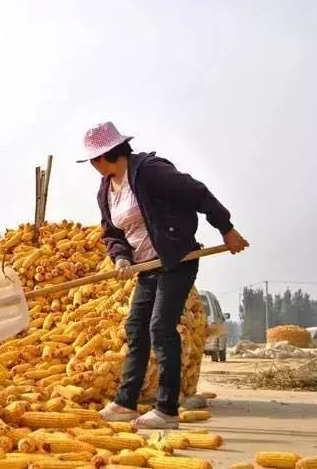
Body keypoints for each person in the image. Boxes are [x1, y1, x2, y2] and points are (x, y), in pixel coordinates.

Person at [78, 122, 248, 429]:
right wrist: (120, 258)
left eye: (92, 159)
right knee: (136, 327)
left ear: (103, 156)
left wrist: (226, 228)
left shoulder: (150, 171)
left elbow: (197, 193)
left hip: (175, 260)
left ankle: (167, 409)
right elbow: (112, 232)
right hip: (145, 268)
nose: (92, 166)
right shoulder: (106, 189)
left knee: (161, 327)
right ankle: (126, 402)